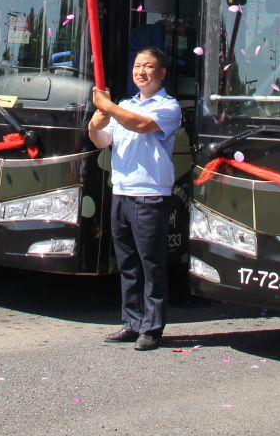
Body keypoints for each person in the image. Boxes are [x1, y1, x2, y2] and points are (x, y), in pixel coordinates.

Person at [88, 46, 182, 351]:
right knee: (127, 263)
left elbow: (141, 125)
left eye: (148, 66)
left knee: (151, 264)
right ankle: (131, 322)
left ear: (162, 73)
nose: (141, 71)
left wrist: (108, 106)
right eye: (138, 65)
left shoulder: (168, 106)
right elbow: (101, 140)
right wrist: (95, 124)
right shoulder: (125, 105)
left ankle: (152, 328)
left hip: (150, 195)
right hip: (121, 192)